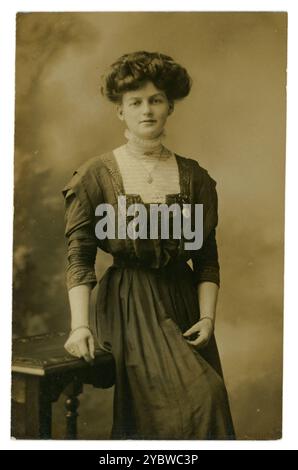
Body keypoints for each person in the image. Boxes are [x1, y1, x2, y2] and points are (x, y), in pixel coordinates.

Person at [62, 51, 235, 439]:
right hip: (130, 302)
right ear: (120, 111)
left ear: (170, 106)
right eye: (135, 102)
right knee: (199, 400)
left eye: (155, 100)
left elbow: (207, 259)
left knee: (200, 409)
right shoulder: (96, 175)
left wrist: (207, 318)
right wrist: (80, 325)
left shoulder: (196, 178)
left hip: (184, 302)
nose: (147, 110)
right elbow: (80, 255)